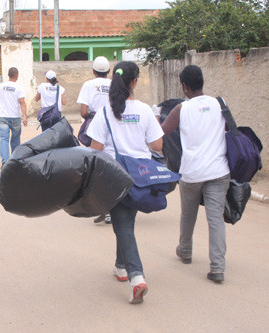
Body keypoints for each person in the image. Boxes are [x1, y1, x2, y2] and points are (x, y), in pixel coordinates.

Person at [87, 61, 164, 304]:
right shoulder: (144, 110)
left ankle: (136, 277)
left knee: (123, 225)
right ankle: (121, 267)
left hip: (113, 176)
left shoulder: (105, 112)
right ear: (134, 82)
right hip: (139, 176)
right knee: (125, 221)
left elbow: (95, 149)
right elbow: (158, 146)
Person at [161, 65, 230, 283]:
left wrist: (154, 115)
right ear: (201, 82)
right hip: (219, 170)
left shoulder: (181, 109)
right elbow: (228, 130)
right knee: (215, 219)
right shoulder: (219, 103)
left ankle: (185, 251)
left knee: (188, 214)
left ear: (184, 86)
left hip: (192, 172)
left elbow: (160, 133)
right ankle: (217, 268)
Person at [77, 56, 112, 223]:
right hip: (113, 128)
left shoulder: (88, 85)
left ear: (93, 71)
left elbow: (83, 112)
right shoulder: (115, 85)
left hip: (95, 129)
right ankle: (109, 207)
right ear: (109, 71)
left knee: (96, 166)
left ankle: (104, 207)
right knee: (112, 165)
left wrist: (92, 115)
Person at [0, 67, 28, 168]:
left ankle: (4, 162)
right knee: (15, 139)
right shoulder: (19, 88)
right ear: (17, 76)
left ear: (8, 75)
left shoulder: (1, 86)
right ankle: (15, 161)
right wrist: (24, 117)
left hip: (3, 117)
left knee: (4, 139)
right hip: (15, 117)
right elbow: (22, 102)